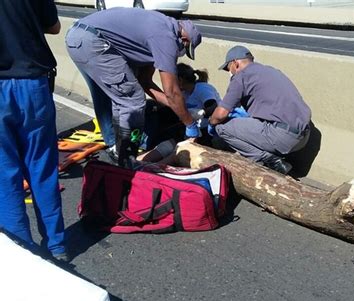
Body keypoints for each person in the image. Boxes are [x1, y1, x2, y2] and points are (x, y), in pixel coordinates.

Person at [65, 7, 202, 167]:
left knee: (122, 100)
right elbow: (171, 92)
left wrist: (178, 110)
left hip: (80, 37)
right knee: (133, 102)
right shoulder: (166, 38)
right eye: (184, 50)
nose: (180, 54)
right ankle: (128, 159)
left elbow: (145, 81)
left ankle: (119, 150)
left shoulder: (161, 25)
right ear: (184, 39)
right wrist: (190, 123)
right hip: (92, 41)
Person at [0, 0, 69, 261]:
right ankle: (57, 245)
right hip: (33, 83)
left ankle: (22, 251)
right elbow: (54, 27)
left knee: (5, 175)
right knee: (42, 167)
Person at [209, 45, 311, 175]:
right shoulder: (271, 71)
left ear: (235, 64)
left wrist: (211, 123)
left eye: (228, 69)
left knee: (222, 127)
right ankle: (274, 156)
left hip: (282, 137)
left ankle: (268, 160)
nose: (229, 73)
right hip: (304, 136)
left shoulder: (241, 77)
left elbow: (220, 115)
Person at [137, 63, 221, 162]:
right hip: (188, 128)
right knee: (151, 107)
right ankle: (140, 159)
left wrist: (201, 112)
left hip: (205, 130)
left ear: (180, 80)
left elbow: (213, 106)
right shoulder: (184, 93)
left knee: (175, 146)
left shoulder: (202, 88)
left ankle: (151, 165)